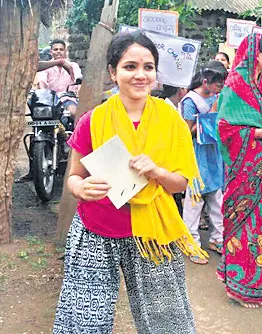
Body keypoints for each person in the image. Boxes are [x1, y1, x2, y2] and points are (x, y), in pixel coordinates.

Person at [53, 31, 206, 333]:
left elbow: (180, 184)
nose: (140, 75)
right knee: (85, 322)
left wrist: (157, 172)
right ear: (113, 72)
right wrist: (80, 189)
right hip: (96, 230)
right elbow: (73, 178)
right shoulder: (93, 121)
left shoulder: (171, 119)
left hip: (153, 235)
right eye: (130, 66)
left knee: (166, 322)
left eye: (148, 67)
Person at [216, 33, 262, 309]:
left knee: (259, 223)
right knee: (243, 222)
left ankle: (254, 281)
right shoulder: (236, 84)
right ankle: (240, 287)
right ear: (254, 54)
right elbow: (224, 128)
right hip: (245, 167)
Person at [181, 60, 228, 264]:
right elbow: (186, 132)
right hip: (197, 156)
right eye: (218, 85)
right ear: (206, 81)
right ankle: (191, 244)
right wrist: (209, 116)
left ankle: (218, 238)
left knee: (217, 200)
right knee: (194, 202)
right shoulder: (190, 101)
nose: (221, 88)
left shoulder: (217, 96)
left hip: (214, 155)